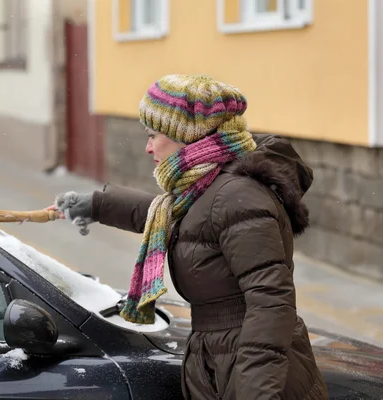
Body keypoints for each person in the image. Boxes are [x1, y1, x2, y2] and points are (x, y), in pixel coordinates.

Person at [48, 74, 328, 399]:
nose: (147, 146)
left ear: (187, 137)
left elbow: (270, 302)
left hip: (252, 370)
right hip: (219, 358)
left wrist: (254, 391)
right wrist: (97, 205)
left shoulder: (237, 196)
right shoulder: (206, 187)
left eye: (154, 135)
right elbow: (179, 217)